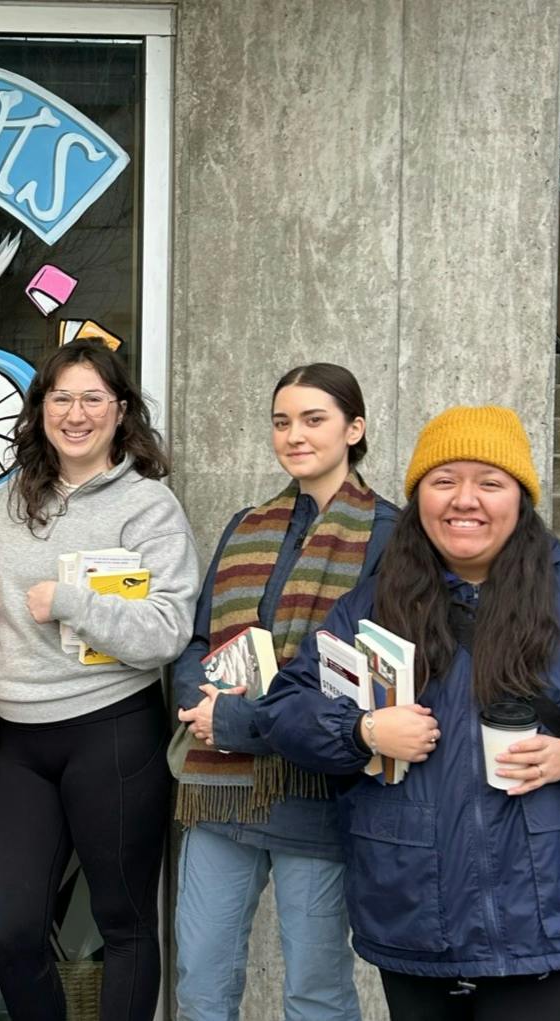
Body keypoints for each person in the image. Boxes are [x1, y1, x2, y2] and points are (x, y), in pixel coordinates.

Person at [258, 405, 560, 1020]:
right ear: (418, 496)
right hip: (411, 907)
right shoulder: (375, 601)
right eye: (444, 480)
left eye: (490, 482)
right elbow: (285, 708)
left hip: (543, 912)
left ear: (521, 497)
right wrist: (362, 730)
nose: (465, 500)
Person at [0, 339, 200, 1020]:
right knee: (12, 929)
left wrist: (73, 601)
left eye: (93, 399)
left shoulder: (148, 507)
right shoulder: (8, 501)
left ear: (121, 410)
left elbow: (168, 629)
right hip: (19, 738)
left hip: (112, 732)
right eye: (62, 398)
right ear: (41, 408)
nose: (76, 414)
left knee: (123, 923)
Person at [170, 363, 398, 1021]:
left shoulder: (390, 533)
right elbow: (200, 637)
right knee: (201, 981)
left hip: (317, 789)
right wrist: (200, 704)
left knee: (315, 990)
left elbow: (371, 673)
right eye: (281, 421)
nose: (294, 435)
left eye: (313, 419)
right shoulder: (247, 524)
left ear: (354, 428)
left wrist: (239, 719)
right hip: (221, 786)